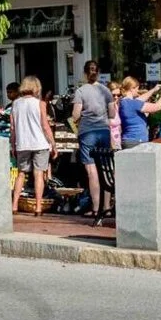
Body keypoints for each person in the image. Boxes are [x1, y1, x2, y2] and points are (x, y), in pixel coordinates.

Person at [71, 63, 111, 215]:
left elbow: (75, 114)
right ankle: (107, 206)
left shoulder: (80, 91)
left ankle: (95, 208)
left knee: (92, 171)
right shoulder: (105, 90)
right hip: (104, 131)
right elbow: (112, 113)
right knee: (106, 169)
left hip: (87, 132)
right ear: (98, 72)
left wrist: (78, 118)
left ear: (85, 73)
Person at [8, 75, 52, 212]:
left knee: (21, 173)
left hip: (23, 143)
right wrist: (53, 143)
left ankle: (14, 204)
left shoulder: (15, 104)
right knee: (38, 174)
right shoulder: (40, 104)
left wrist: (13, 144)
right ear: (36, 88)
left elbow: (13, 128)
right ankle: (38, 206)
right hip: (40, 143)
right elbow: (45, 125)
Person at [115, 77, 161, 147]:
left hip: (127, 140)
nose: (138, 91)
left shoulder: (123, 102)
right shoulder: (133, 104)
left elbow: (139, 100)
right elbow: (157, 106)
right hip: (137, 141)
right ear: (131, 88)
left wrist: (153, 90)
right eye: (137, 88)